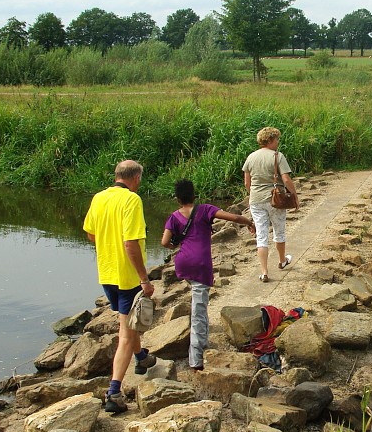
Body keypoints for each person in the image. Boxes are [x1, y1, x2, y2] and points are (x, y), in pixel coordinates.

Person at [83, 159, 156, 414]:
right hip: (127, 278)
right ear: (136, 178)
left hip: (106, 273)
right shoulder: (132, 200)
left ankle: (142, 358)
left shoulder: (99, 198)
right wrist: (144, 278)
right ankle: (114, 392)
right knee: (125, 333)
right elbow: (130, 243)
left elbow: (91, 234)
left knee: (128, 321)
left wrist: (107, 244)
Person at [161, 179, 254, 370]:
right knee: (199, 311)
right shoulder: (204, 210)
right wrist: (248, 222)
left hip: (183, 262)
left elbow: (164, 242)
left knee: (199, 304)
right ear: (194, 195)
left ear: (177, 199)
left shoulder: (174, 217)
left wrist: (174, 246)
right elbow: (234, 218)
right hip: (200, 264)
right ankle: (196, 359)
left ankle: (202, 343)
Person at [242, 126, 297, 283]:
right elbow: (286, 179)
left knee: (261, 235)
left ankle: (264, 272)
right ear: (271, 140)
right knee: (279, 232)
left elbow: (247, 183)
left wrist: (254, 194)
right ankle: (282, 261)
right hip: (275, 200)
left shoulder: (251, 157)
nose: (278, 142)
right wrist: (294, 195)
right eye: (277, 139)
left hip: (256, 200)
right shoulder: (277, 156)